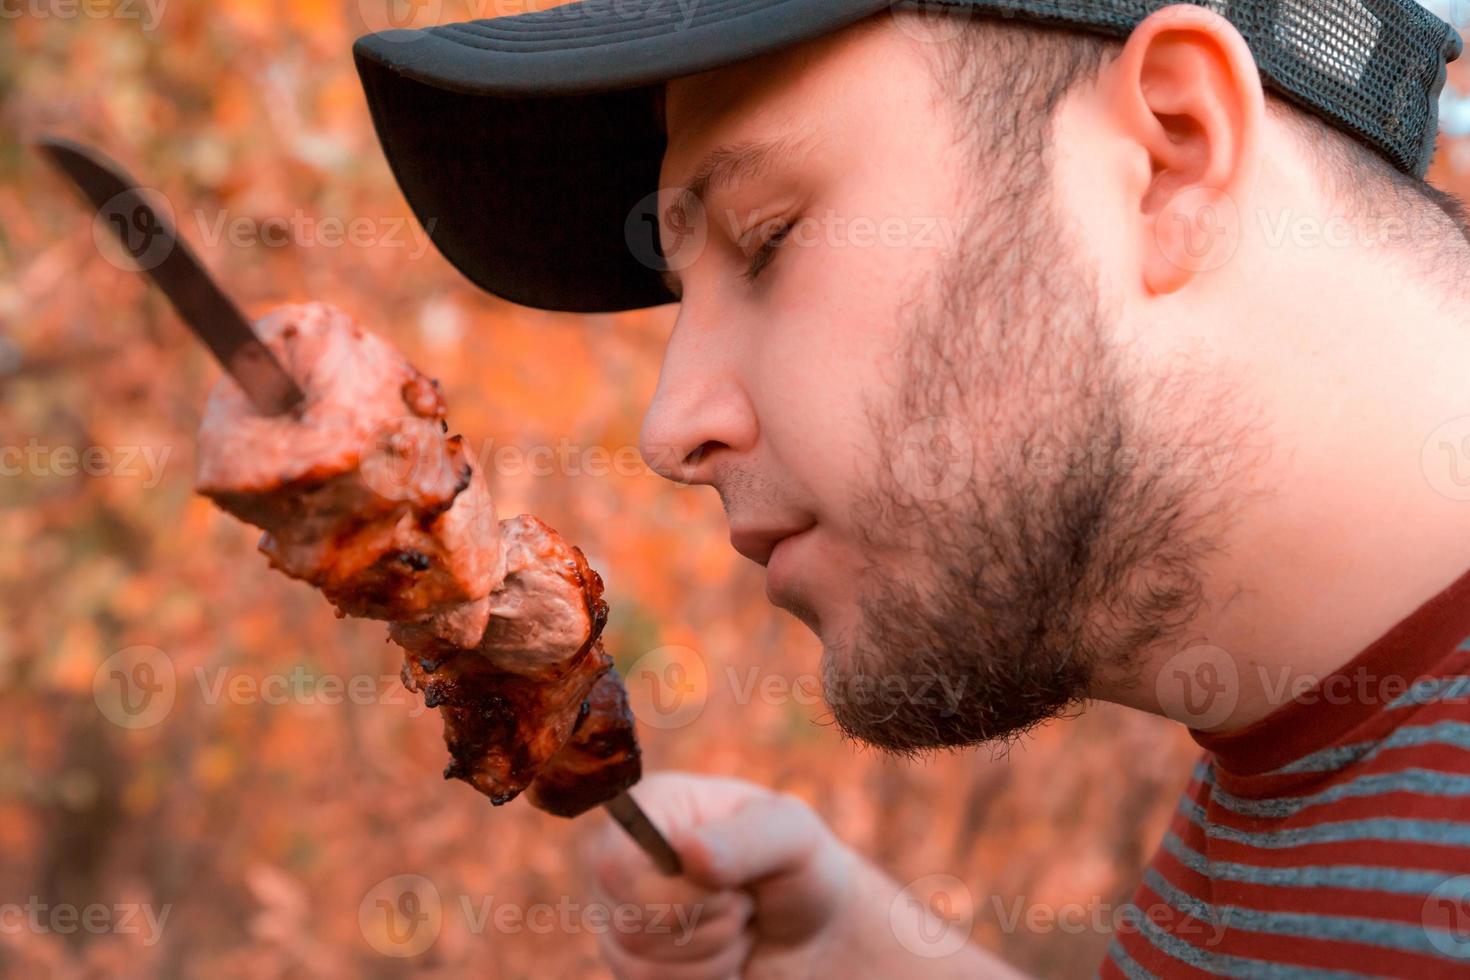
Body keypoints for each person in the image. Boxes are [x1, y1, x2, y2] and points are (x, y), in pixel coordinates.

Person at [354, 0, 1470, 974]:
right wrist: (851, 951)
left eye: (770, 237)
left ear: (1171, 152)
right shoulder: (1307, 759)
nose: (671, 426)